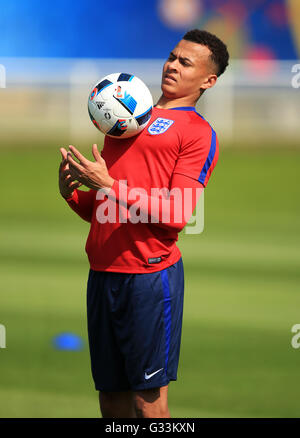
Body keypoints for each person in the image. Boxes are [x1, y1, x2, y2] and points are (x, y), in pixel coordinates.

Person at [58, 29, 229, 418]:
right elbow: (103, 210)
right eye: (172, 56)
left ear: (208, 80)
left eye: (186, 62)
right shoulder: (126, 119)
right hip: (102, 274)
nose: (172, 65)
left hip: (149, 278)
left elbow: (176, 215)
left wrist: (108, 184)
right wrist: (72, 192)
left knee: (148, 403)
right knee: (111, 400)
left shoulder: (197, 133)